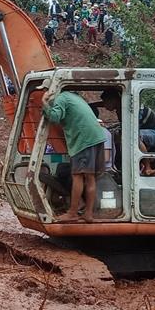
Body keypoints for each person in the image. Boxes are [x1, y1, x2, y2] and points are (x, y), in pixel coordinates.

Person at [40, 81, 106, 222]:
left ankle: (72, 212)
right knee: (90, 177)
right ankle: (88, 214)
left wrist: (44, 102)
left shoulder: (61, 98)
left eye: (46, 90)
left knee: (77, 176)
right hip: (96, 137)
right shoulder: (74, 97)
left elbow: (54, 117)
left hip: (84, 140)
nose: (45, 92)